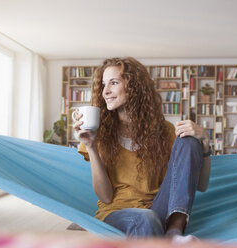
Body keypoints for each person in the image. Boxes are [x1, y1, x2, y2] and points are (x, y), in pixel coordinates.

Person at [73, 57, 211, 241]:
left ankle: (174, 233)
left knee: (188, 140)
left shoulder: (164, 132)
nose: (105, 91)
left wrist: (205, 142)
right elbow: (105, 197)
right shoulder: (97, 133)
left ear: (134, 87)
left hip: (159, 211)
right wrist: (91, 146)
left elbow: (200, 185)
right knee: (145, 218)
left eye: (114, 83)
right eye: (104, 84)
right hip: (117, 215)